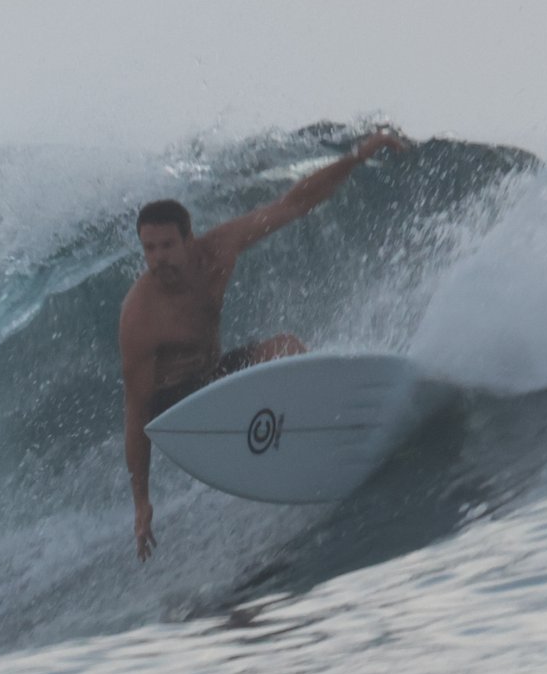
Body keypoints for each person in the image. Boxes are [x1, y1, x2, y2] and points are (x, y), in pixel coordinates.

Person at [119, 129, 411, 559]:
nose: (158, 258)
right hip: (178, 405)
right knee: (244, 368)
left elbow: (294, 204)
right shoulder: (140, 315)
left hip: (214, 377)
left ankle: (326, 434)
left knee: (287, 348)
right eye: (149, 249)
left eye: (166, 246)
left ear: (188, 238)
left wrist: (356, 157)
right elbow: (136, 410)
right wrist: (141, 501)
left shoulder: (219, 249)